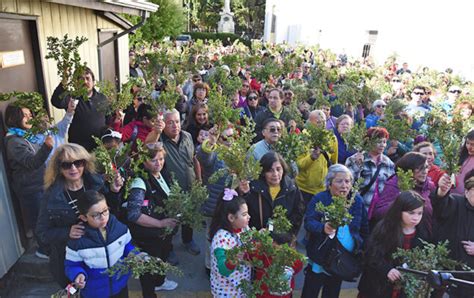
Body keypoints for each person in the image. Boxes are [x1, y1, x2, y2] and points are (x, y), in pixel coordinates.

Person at [36, 143, 123, 287]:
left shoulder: (97, 184)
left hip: (101, 256)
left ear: (85, 163)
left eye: (78, 163)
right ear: (58, 167)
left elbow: (113, 215)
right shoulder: (52, 195)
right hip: (71, 261)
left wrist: (114, 192)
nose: (73, 168)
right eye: (66, 165)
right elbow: (41, 233)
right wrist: (66, 232)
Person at [302, 165, 368, 298]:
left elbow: (364, 229)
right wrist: (323, 227)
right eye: (339, 181)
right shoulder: (320, 198)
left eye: (348, 181)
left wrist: (361, 247)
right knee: (311, 291)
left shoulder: (357, 201)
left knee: (332, 292)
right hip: (320, 256)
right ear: (329, 183)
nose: (344, 185)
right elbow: (309, 222)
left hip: (341, 259)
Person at [145, 109, 201, 257]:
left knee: (188, 218)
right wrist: (156, 131)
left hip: (191, 186)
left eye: (177, 121)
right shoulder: (160, 141)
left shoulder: (188, 136)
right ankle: (168, 249)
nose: (175, 125)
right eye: (170, 123)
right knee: (170, 222)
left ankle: (188, 240)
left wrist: (199, 180)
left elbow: (194, 159)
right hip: (170, 192)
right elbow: (148, 145)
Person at [126, 142, 179, 296]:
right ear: (144, 161)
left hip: (163, 233)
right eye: (154, 160)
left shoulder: (162, 173)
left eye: (161, 159)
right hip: (149, 235)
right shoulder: (140, 182)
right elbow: (133, 214)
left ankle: (160, 282)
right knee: (148, 268)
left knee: (162, 257)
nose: (159, 163)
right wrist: (160, 223)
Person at [4, 104, 54, 258]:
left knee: (44, 216)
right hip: (30, 189)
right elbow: (31, 163)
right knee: (38, 220)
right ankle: (43, 250)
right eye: (26, 115)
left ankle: (48, 245)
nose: (30, 118)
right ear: (15, 118)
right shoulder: (13, 142)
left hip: (39, 184)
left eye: (30, 115)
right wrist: (46, 147)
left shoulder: (25, 136)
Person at [358, 191, 430, 297]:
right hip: (378, 286)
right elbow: (372, 255)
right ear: (399, 211)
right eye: (411, 213)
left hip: (404, 288)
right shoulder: (385, 228)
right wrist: (387, 270)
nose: (416, 217)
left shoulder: (422, 232)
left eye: (420, 213)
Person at [65, 190, 134, 298]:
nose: (102, 217)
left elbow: (128, 247)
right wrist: (79, 274)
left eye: (105, 211)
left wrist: (136, 256)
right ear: (83, 217)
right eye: (95, 215)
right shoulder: (77, 241)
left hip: (120, 286)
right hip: (94, 293)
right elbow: (72, 265)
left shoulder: (120, 228)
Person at [430, 170, 474, 298]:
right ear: (466, 192)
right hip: (447, 270)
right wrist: (442, 191)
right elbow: (441, 204)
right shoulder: (456, 202)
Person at [242, 152, 304, 236]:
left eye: (278, 169)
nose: (275, 174)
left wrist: (287, 235)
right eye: (270, 171)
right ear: (263, 172)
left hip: (282, 240)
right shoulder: (253, 188)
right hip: (258, 238)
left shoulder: (291, 188)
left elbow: (298, 213)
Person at [372, 152, 435, 230]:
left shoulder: (429, 186)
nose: (425, 171)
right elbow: (379, 213)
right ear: (408, 168)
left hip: (423, 235)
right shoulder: (395, 184)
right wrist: (400, 202)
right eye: (419, 168)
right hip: (398, 235)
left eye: (426, 167)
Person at [51, 67, 109, 151]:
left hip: (99, 146)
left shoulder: (102, 98)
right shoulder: (72, 98)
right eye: (81, 79)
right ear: (76, 82)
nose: (85, 82)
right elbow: (56, 101)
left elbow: (108, 118)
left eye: (87, 78)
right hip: (79, 148)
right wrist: (64, 81)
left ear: (93, 82)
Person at [209, 190, 251, 297]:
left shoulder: (243, 228)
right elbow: (223, 269)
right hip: (226, 292)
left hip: (241, 286)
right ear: (231, 218)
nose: (249, 217)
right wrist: (234, 259)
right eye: (244, 214)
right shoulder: (221, 238)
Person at [345, 127, 395, 213]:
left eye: (384, 142)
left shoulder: (388, 163)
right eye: (379, 142)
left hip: (379, 210)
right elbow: (348, 184)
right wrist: (357, 165)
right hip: (360, 207)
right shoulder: (353, 159)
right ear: (369, 142)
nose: (382, 145)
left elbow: (391, 186)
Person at [296, 110, 338, 205]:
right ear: (310, 123)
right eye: (318, 122)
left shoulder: (331, 138)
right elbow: (299, 165)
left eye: (323, 121)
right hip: (304, 189)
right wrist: (311, 158)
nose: (322, 124)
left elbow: (334, 164)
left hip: (323, 189)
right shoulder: (303, 139)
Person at [452, 130, 474, 195]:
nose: (469, 147)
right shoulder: (463, 155)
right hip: (452, 193)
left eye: (473, 144)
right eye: (467, 143)